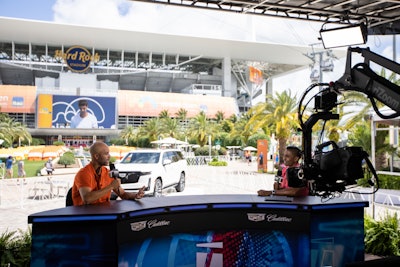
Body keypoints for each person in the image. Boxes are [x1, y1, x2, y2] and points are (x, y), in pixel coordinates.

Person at [71, 141, 145, 206]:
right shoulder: (84, 173)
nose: (109, 157)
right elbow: (87, 199)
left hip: (104, 214)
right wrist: (111, 187)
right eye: (106, 154)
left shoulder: (107, 172)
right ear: (96, 156)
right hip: (85, 217)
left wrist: (135, 195)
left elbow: (122, 194)